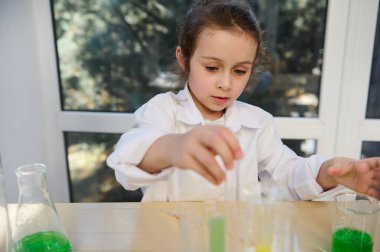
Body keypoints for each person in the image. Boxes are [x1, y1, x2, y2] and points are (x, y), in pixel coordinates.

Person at [107, 0, 380, 201]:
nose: (226, 83)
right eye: (212, 68)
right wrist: (174, 147)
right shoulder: (162, 111)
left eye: (239, 71)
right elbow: (128, 164)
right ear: (184, 59)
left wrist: (329, 173)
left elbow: (287, 174)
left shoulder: (257, 123)